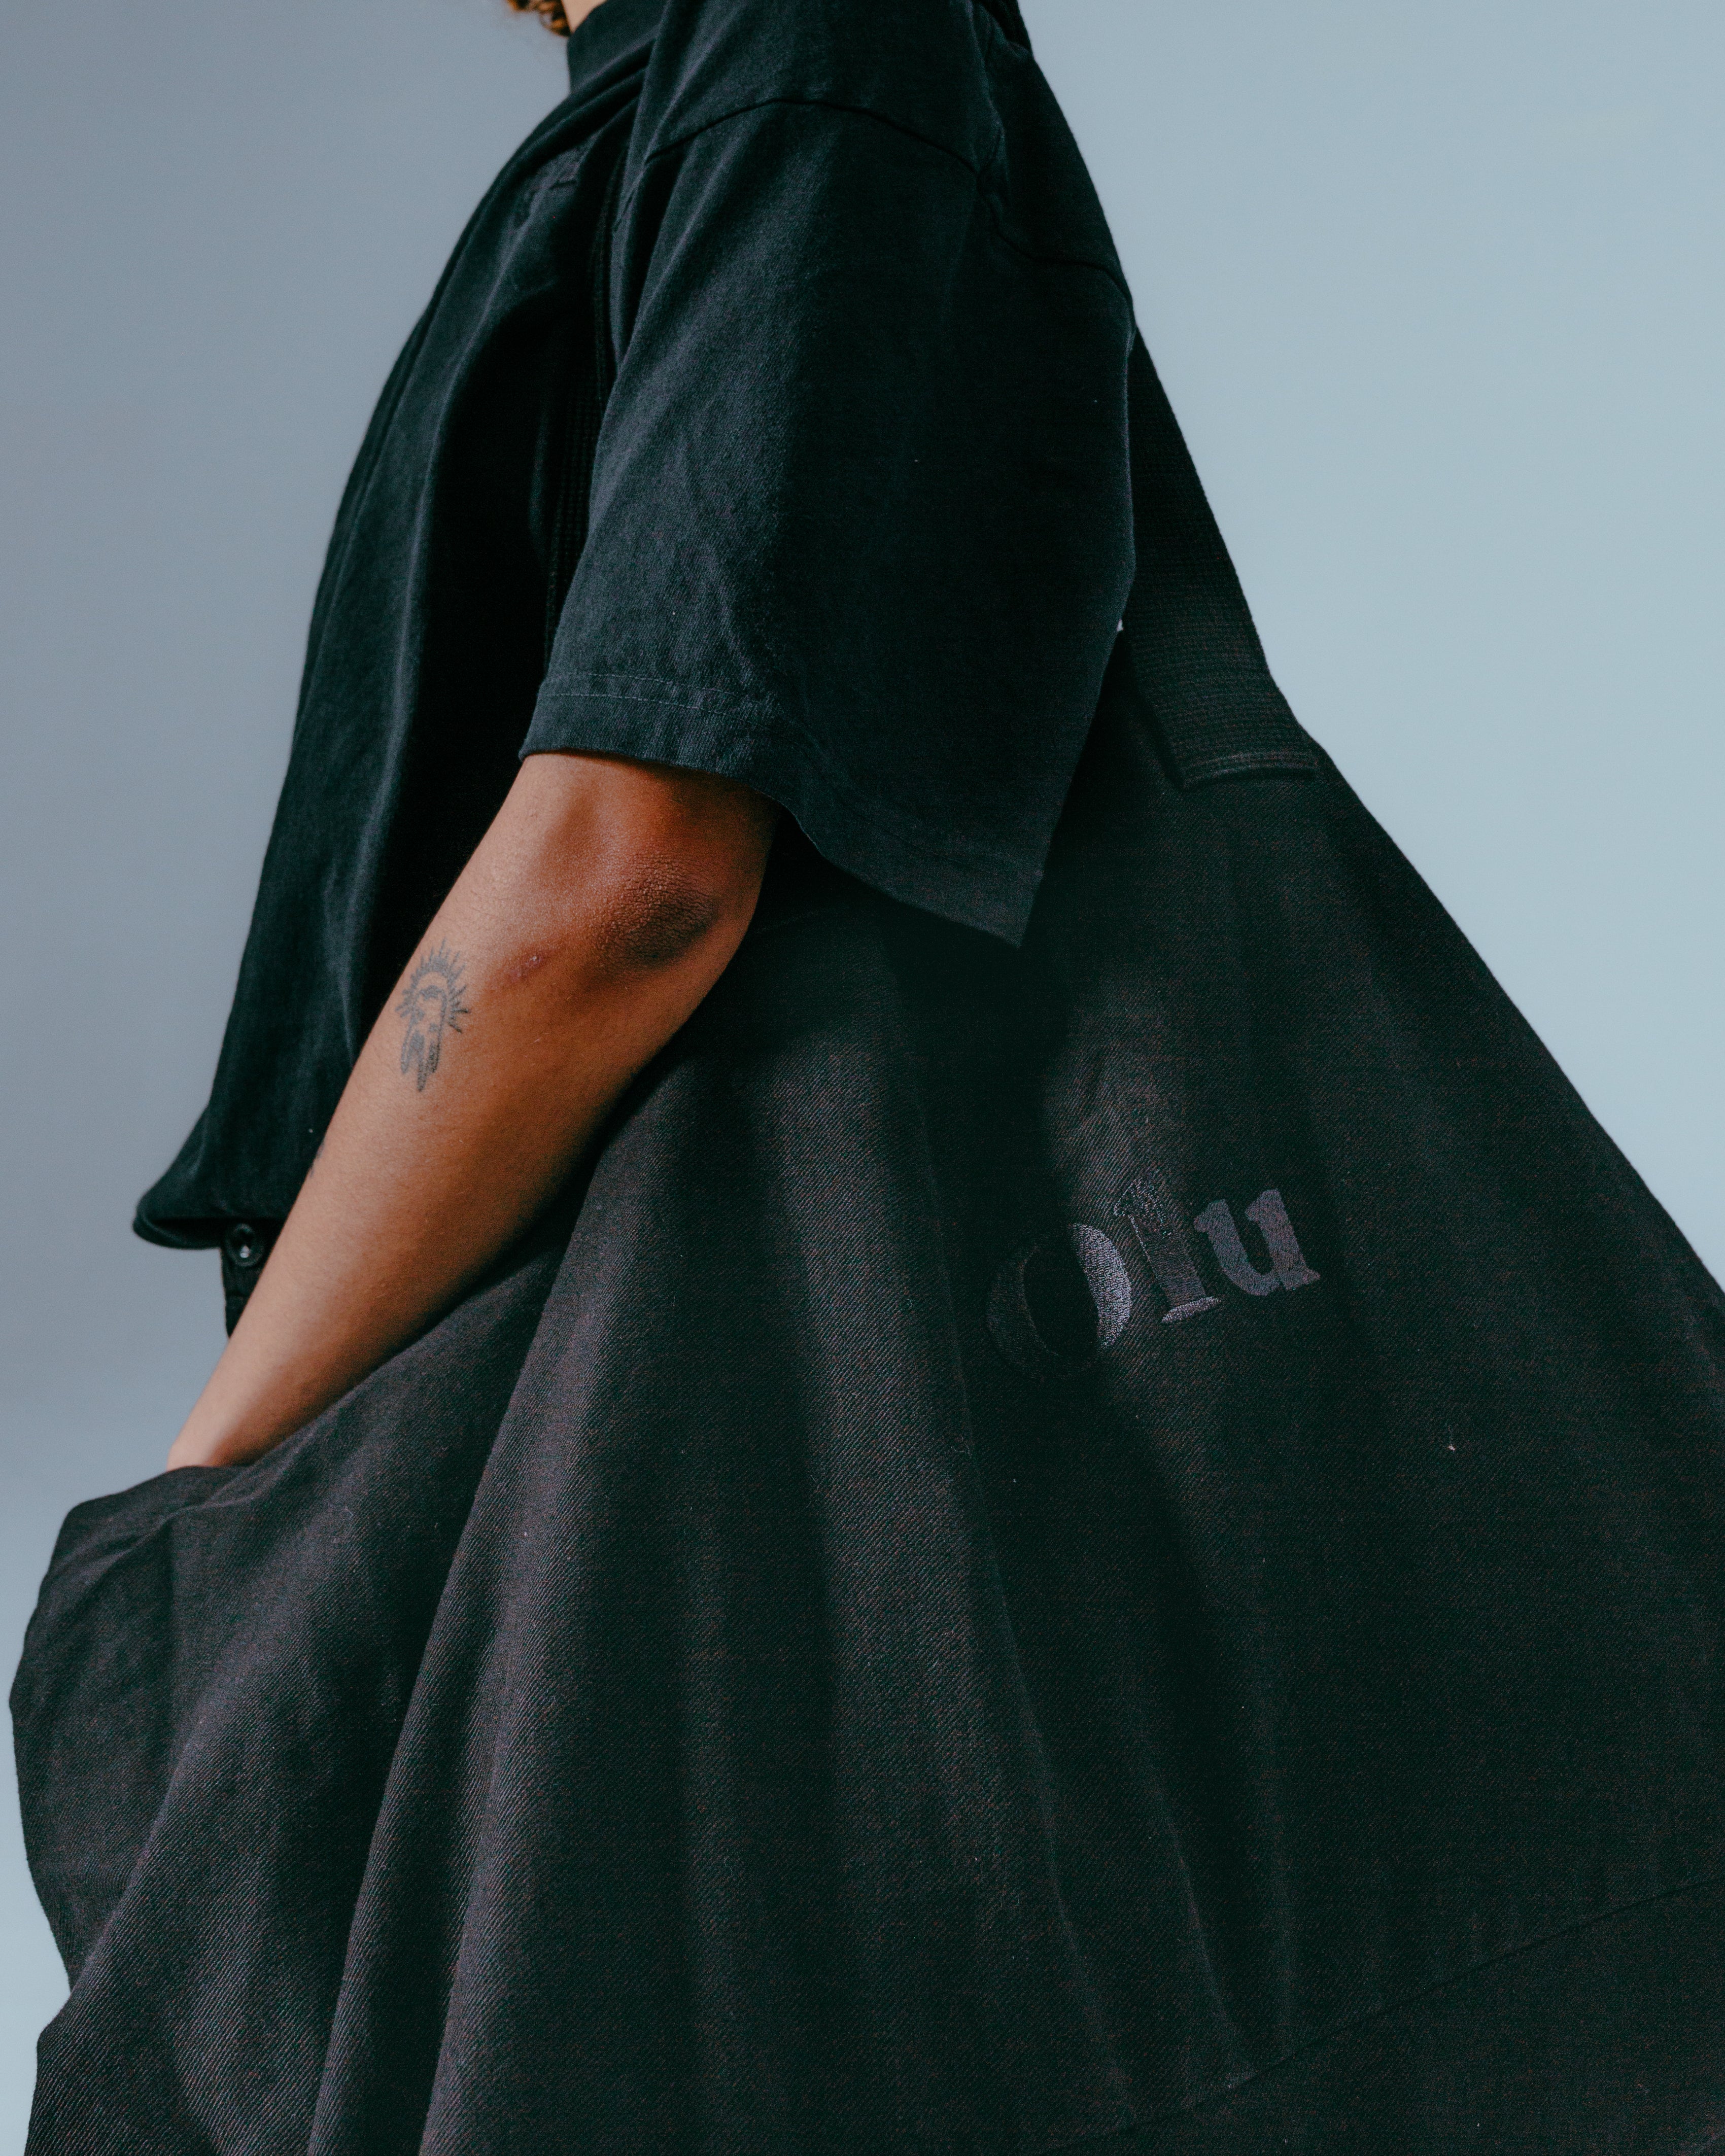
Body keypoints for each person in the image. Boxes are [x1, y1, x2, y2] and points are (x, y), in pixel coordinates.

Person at [15, 0, 1725, 2149]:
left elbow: (628, 869)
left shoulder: (808, 38)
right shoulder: (672, 104)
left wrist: (209, 1483)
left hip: (688, 1470)